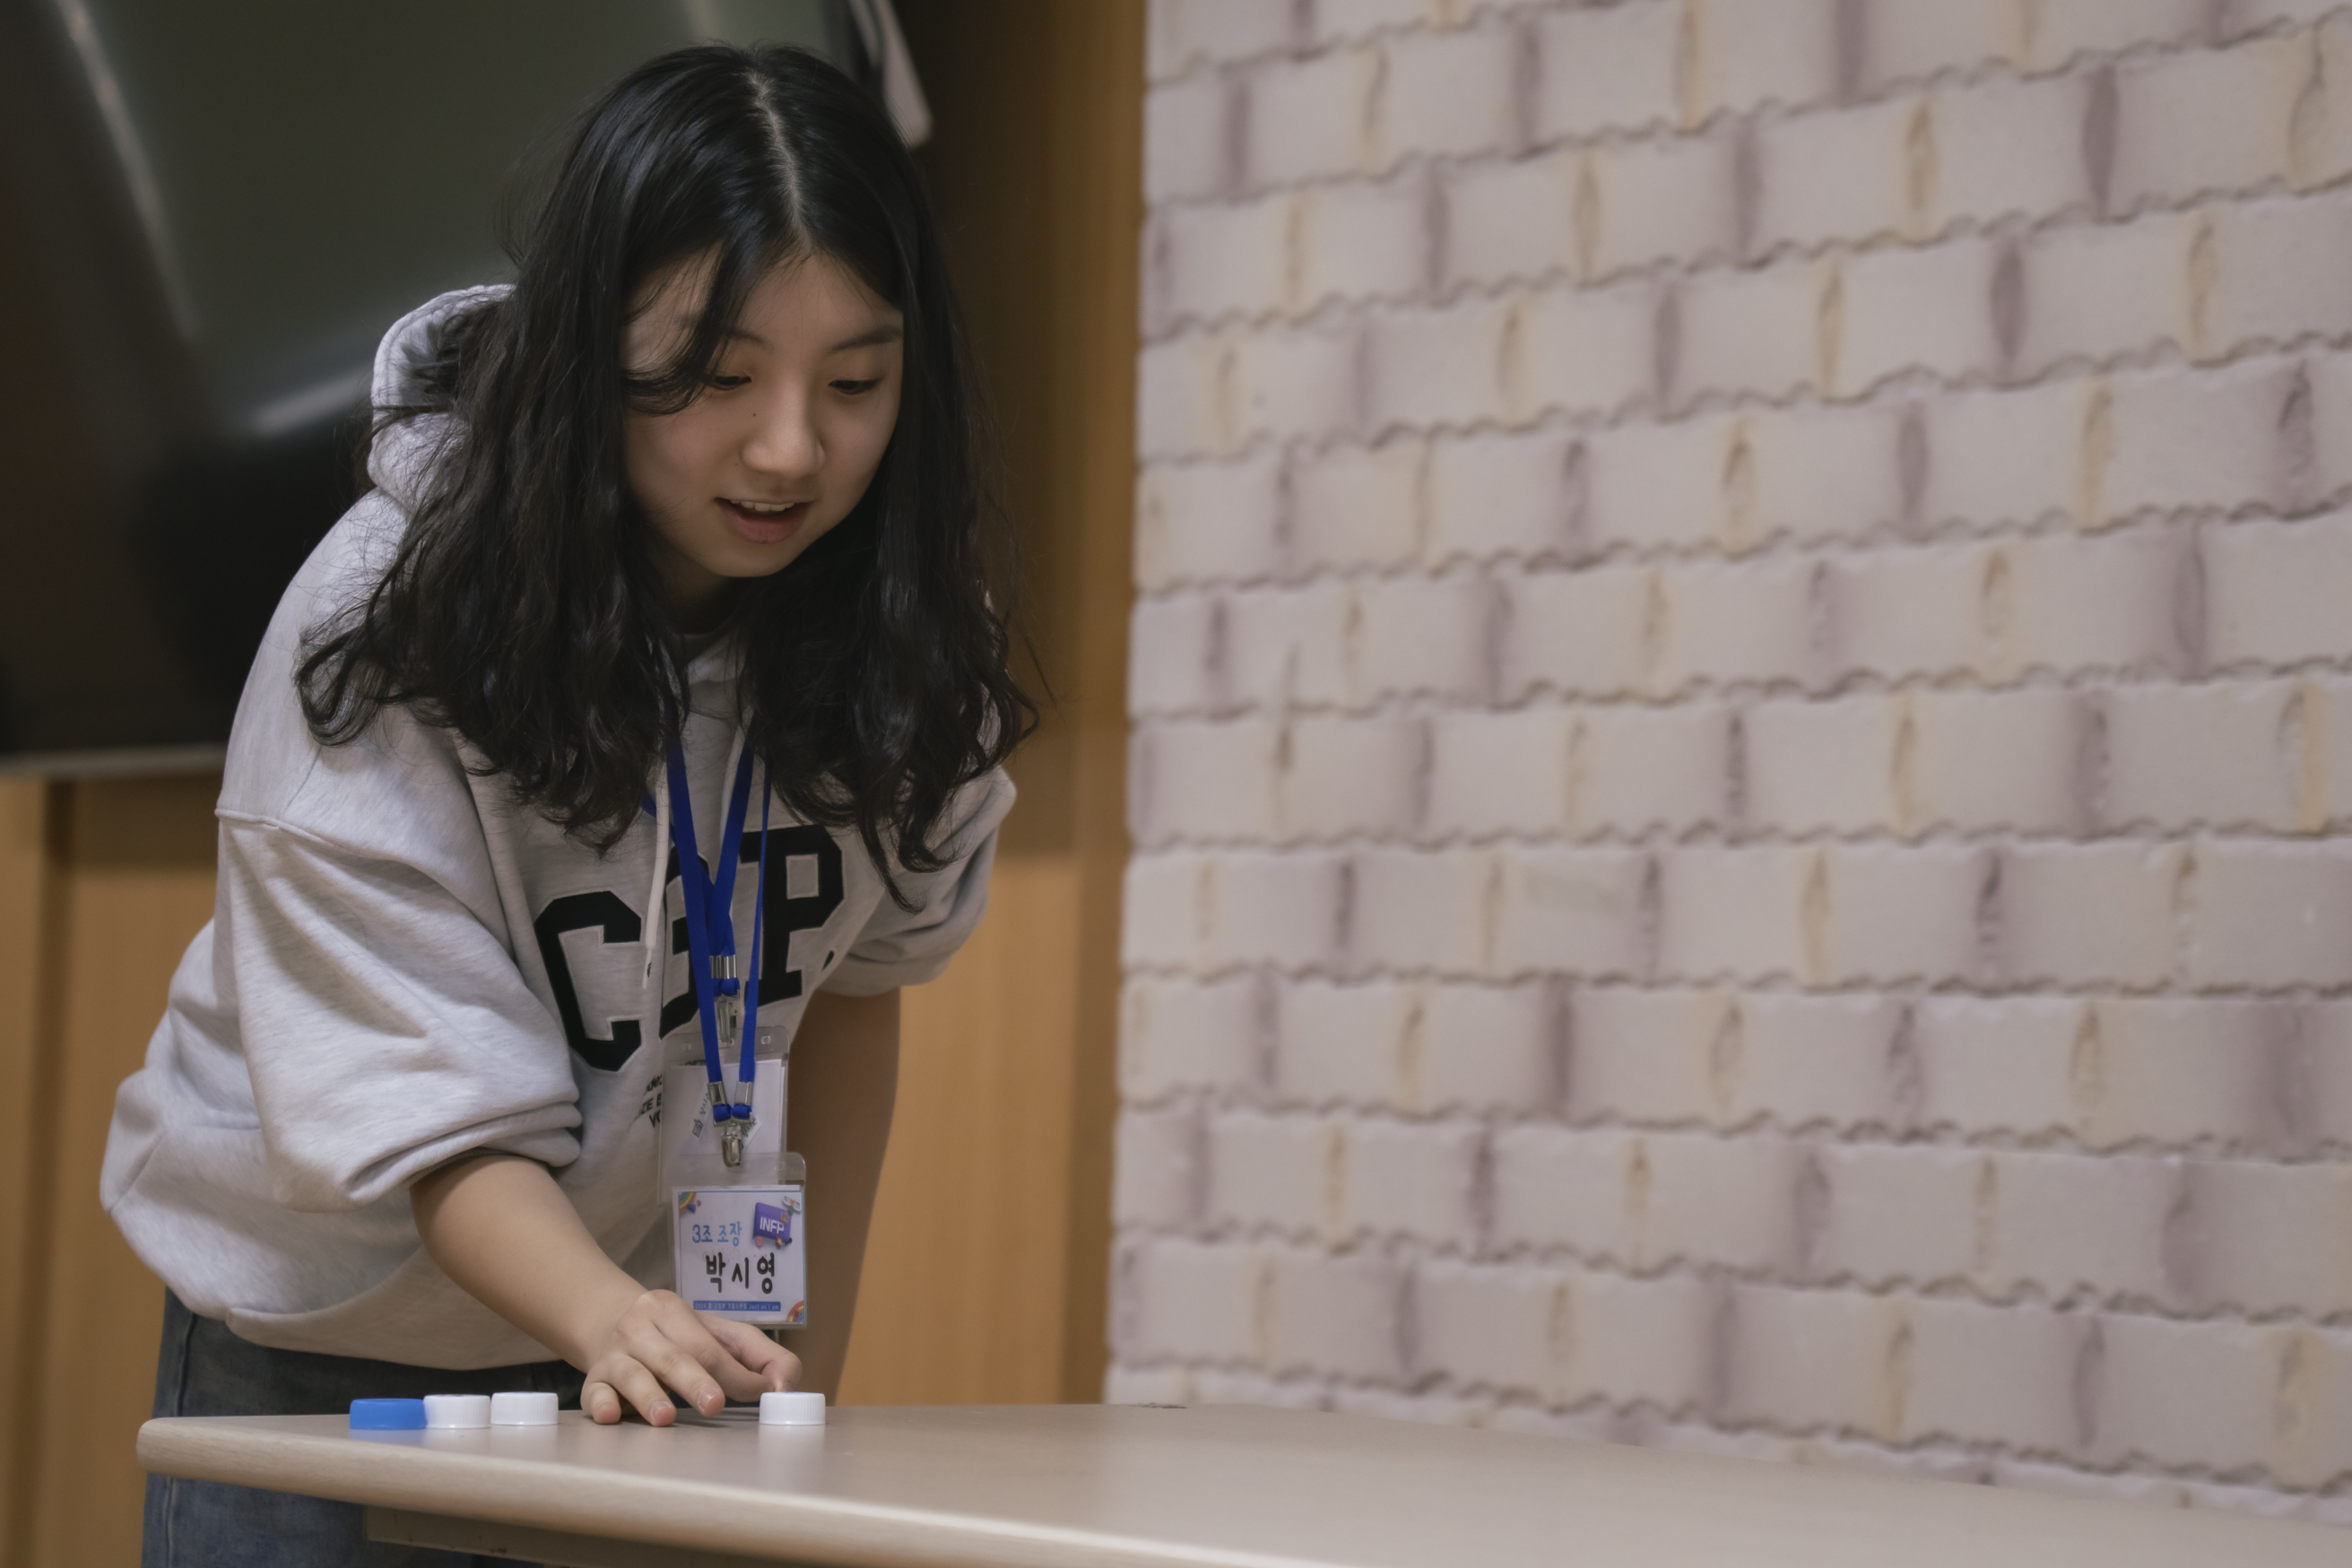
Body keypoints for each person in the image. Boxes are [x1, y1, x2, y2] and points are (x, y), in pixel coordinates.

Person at [101, 42, 1029, 1566]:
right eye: (719, 375)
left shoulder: (907, 639)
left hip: (637, 1338)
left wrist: (800, 1369)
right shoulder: (387, 628)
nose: (792, 447)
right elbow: (424, 1114)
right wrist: (608, 1314)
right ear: (593, 347)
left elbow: (856, 988)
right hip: (318, 1340)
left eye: (856, 382)